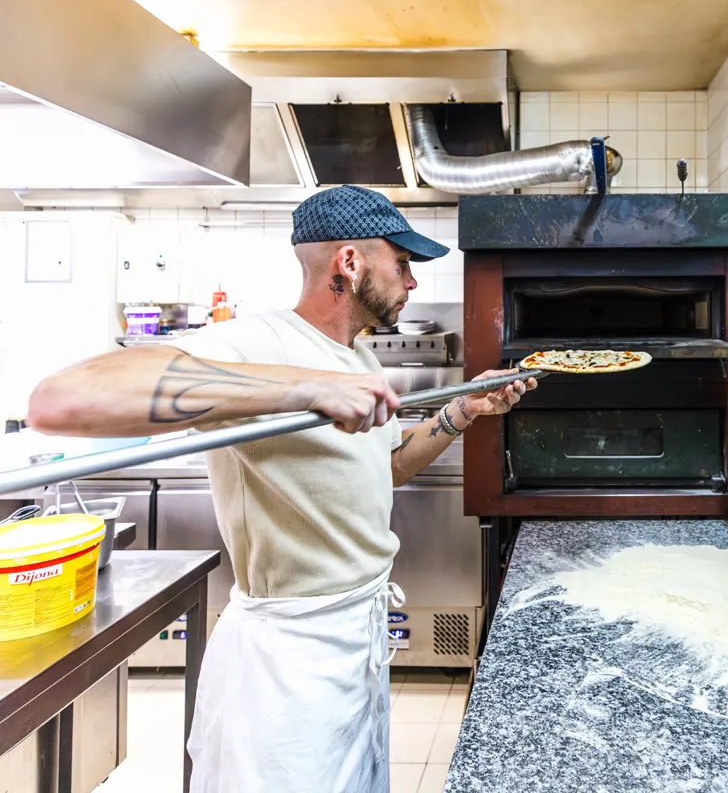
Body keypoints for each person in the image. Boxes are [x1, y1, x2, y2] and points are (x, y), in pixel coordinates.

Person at [25, 185, 537, 792]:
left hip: (357, 644)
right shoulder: (259, 342)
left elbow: (385, 467)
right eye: (401, 264)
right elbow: (60, 399)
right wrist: (301, 388)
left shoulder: (359, 358)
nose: (412, 282)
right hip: (287, 664)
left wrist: (462, 411)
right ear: (350, 263)